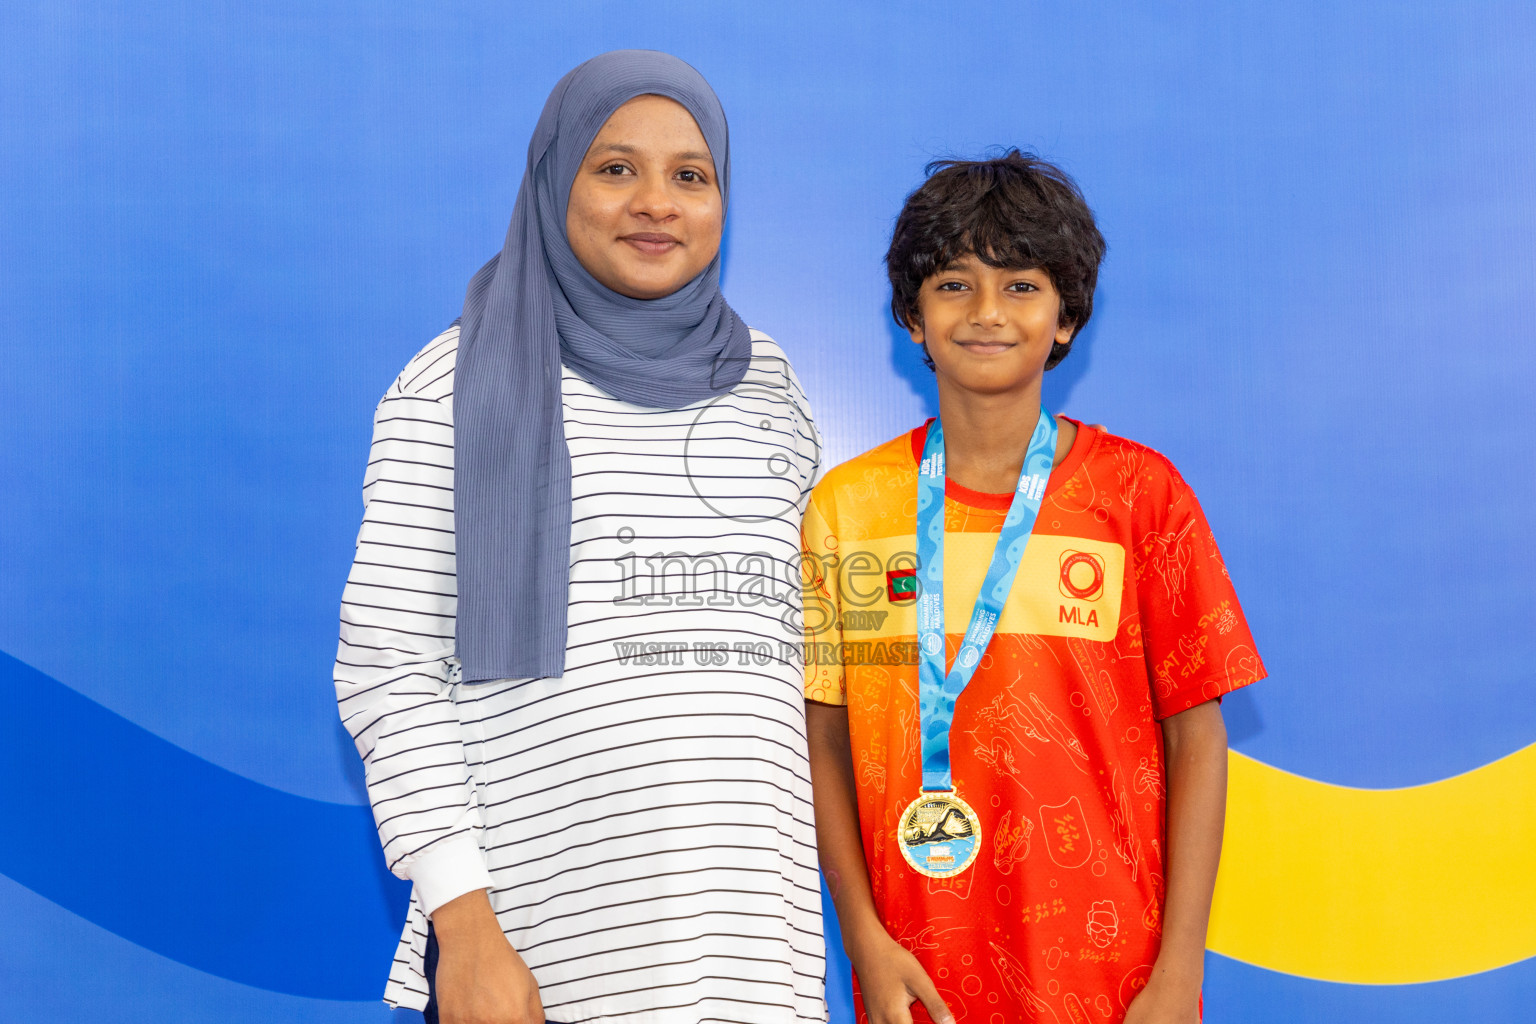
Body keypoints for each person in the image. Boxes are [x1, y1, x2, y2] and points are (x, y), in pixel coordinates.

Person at [335, 51, 826, 1024]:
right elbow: (389, 669)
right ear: (554, 181)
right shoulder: (454, 383)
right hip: (539, 959)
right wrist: (467, 932)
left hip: (754, 961)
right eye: (616, 168)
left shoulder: (769, 383)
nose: (657, 201)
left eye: (691, 174)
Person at [802, 151, 1265, 1024]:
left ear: (1065, 317)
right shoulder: (848, 511)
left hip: (1115, 978)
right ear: (911, 315)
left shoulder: (1140, 495)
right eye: (953, 284)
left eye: (1020, 286)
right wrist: (864, 938)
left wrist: (1175, 974)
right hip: (914, 972)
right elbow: (824, 737)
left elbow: (1198, 740)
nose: (986, 313)